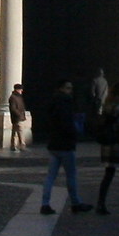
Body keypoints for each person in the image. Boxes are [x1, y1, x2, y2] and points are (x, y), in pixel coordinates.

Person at [39, 81, 90, 215]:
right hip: (66, 145)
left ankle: (45, 203)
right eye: (68, 88)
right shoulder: (66, 103)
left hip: (54, 144)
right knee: (71, 176)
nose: (70, 90)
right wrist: (74, 134)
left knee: (50, 176)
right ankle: (75, 202)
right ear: (62, 89)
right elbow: (67, 124)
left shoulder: (52, 102)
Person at [6, 82, 30, 155]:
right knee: (20, 131)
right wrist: (19, 115)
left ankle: (13, 145)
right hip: (17, 117)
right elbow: (13, 108)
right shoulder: (13, 97)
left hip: (19, 116)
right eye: (20, 89)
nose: (21, 91)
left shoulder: (18, 97)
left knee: (15, 131)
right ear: (17, 89)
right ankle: (22, 145)